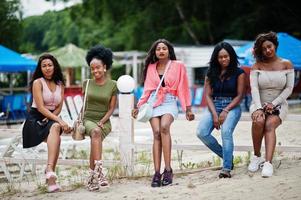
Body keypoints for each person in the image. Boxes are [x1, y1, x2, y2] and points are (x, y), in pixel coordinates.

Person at [132, 39, 195, 187]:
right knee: (156, 132)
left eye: (164, 48)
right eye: (158, 49)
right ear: (155, 52)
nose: (161, 51)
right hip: (154, 102)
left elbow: (183, 87)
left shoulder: (178, 66)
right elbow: (147, 90)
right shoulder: (151, 67)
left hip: (169, 101)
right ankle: (156, 172)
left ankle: (168, 170)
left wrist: (188, 108)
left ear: (169, 51)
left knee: (164, 127)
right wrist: (138, 105)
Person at [22, 53, 72, 192]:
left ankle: (50, 174)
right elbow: (41, 107)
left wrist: (54, 118)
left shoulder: (60, 84)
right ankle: (50, 172)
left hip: (51, 117)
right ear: (40, 68)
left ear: (54, 66)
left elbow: (59, 107)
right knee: (57, 131)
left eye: (50, 65)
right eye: (44, 66)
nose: (47, 68)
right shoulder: (38, 83)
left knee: (55, 129)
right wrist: (59, 120)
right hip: (35, 119)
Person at [248, 32, 294, 177]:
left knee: (269, 125)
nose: (268, 50)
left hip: (279, 103)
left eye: (269, 46)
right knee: (259, 120)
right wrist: (259, 108)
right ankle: (256, 156)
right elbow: (254, 88)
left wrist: (273, 104)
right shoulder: (257, 66)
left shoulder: (286, 64)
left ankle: (268, 163)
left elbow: (289, 88)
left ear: (275, 45)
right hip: (258, 102)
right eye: (264, 49)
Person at [196, 42, 245, 178]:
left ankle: (226, 168)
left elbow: (240, 95)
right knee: (201, 132)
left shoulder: (239, 73)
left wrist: (225, 111)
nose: (224, 59)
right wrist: (214, 114)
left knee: (226, 131)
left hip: (232, 106)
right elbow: (208, 95)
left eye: (226, 56)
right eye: (220, 57)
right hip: (214, 105)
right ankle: (227, 156)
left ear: (231, 56)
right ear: (216, 58)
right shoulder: (211, 73)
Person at [84, 45, 118, 191]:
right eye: (92, 68)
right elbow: (84, 105)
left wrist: (102, 121)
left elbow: (111, 108)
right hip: (88, 120)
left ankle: (91, 179)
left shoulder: (113, 85)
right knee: (95, 133)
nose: (95, 71)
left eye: (98, 67)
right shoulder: (86, 83)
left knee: (95, 139)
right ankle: (99, 173)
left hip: (104, 120)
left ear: (105, 66)